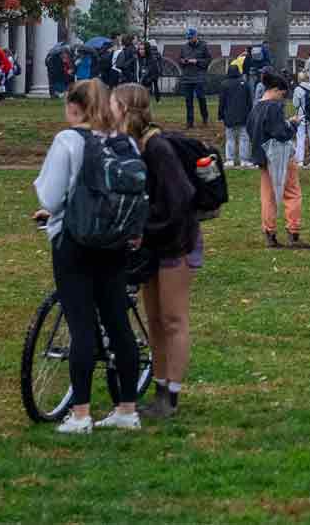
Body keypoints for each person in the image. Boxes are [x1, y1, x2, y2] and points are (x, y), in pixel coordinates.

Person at [31, 80, 145, 433]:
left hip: (75, 240)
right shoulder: (124, 142)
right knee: (117, 321)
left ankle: (80, 413)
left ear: (74, 107)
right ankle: (127, 408)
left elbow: (50, 197)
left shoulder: (68, 141)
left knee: (80, 325)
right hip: (115, 240)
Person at [115, 85, 200, 420]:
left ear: (126, 109)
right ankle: (160, 387)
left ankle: (171, 395)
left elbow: (181, 198)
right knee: (154, 320)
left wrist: (149, 229)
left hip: (175, 240)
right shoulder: (135, 145)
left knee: (174, 319)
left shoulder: (158, 147)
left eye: (113, 105)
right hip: (151, 240)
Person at [251, 72, 304, 248]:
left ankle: (269, 233)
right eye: (282, 94)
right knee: (292, 192)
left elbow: (253, 130)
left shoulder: (256, 107)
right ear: (274, 90)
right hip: (280, 156)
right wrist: (294, 125)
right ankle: (293, 232)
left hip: (263, 157)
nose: (282, 98)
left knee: (268, 196)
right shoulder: (274, 107)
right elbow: (281, 134)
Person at [216, 64, 253, 169]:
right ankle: (244, 160)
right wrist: (250, 114)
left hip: (229, 116)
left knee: (230, 138)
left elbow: (222, 102)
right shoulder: (245, 84)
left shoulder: (224, 84)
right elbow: (249, 101)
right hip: (244, 116)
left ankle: (230, 160)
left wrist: (220, 115)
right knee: (244, 138)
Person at [177, 30, 211, 127]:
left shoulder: (203, 46)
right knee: (188, 100)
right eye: (188, 38)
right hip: (187, 76)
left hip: (199, 76)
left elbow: (208, 60)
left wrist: (197, 61)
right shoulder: (184, 47)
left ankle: (205, 117)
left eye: (191, 38)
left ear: (196, 36)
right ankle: (189, 122)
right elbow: (179, 59)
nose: (190, 40)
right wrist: (183, 61)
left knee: (201, 98)